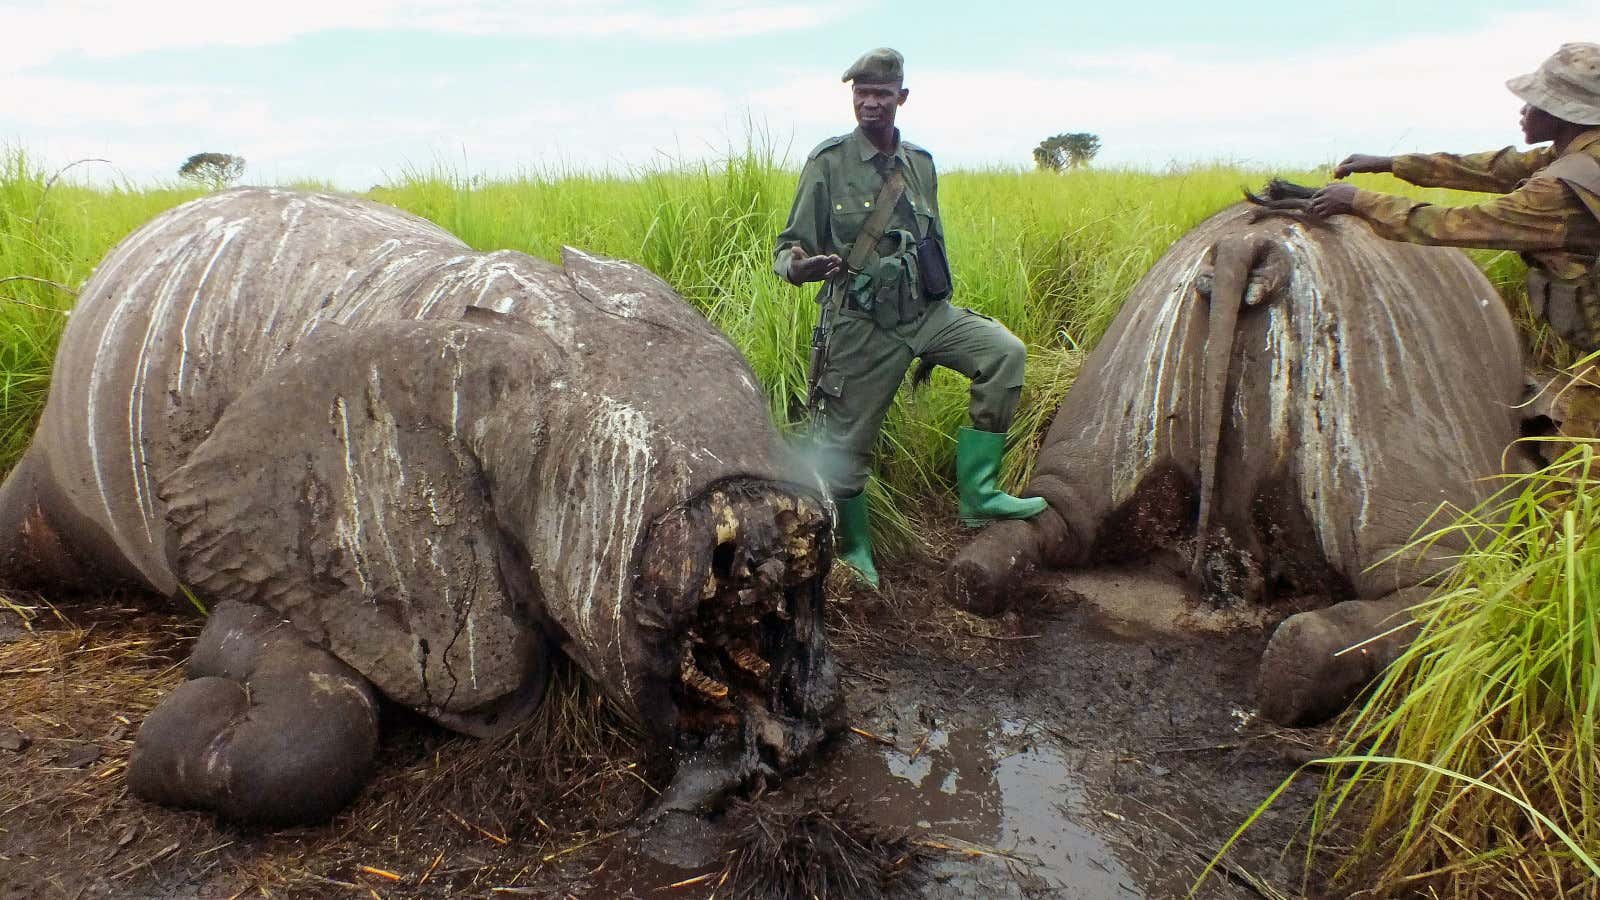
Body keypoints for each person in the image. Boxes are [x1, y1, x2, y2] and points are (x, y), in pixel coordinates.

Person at [772, 47, 1045, 588]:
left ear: (901, 96)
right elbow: (788, 248)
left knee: (1003, 354)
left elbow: (931, 240)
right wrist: (804, 269)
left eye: (880, 93)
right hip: (862, 323)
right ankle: (854, 554)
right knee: (845, 450)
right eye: (860, 93)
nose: (869, 104)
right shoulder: (827, 163)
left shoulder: (919, 163)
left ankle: (980, 495)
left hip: (927, 311)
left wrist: (940, 306)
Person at [1309, 42, 1600, 352]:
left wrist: (1357, 200)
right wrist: (1390, 163)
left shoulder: (1558, 190)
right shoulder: (1582, 154)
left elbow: (1454, 224)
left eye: (1533, 100)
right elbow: (1494, 168)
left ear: (1561, 113)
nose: (1523, 109)